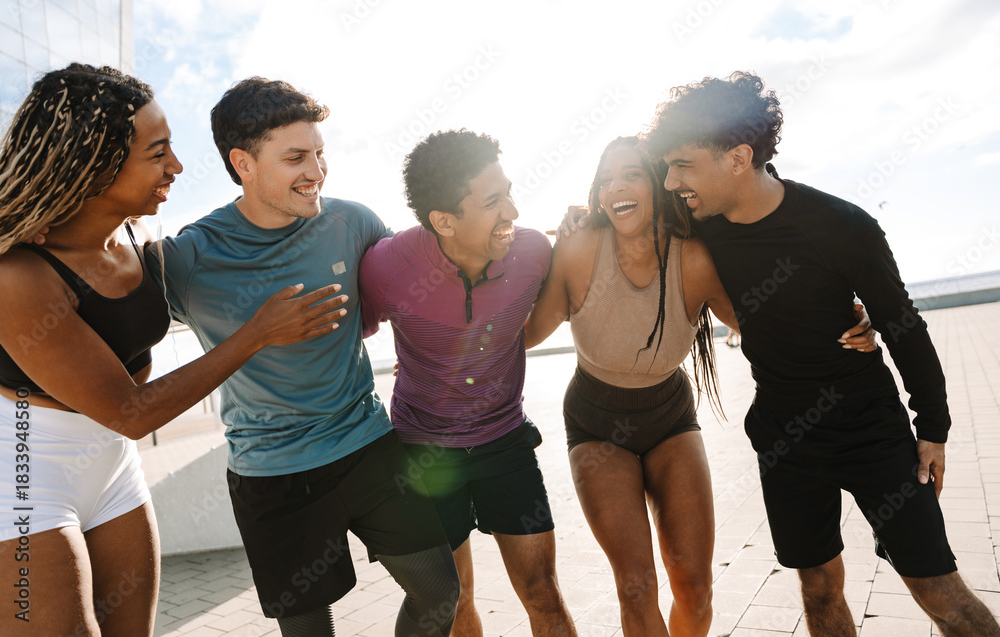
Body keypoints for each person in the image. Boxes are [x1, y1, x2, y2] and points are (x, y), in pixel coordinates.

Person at [642, 71, 1000, 636]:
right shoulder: (697, 224)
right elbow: (619, 212)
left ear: (737, 158)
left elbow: (902, 326)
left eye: (682, 165)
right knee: (817, 588)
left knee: (938, 589)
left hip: (872, 429)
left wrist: (933, 427)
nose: (669, 182)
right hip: (785, 436)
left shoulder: (842, 225)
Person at [0, 64, 347, 637]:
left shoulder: (135, 236)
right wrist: (257, 333)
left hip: (111, 468)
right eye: (157, 153)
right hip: (25, 473)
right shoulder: (19, 275)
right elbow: (132, 412)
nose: (178, 167)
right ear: (96, 164)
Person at [147, 77, 460, 637]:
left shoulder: (351, 222)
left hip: (366, 443)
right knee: (310, 630)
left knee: (439, 592)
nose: (315, 170)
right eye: (295, 157)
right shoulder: (189, 258)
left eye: (319, 153)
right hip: (273, 474)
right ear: (243, 163)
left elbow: (411, 283)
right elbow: (118, 323)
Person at [527, 136, 875, 636]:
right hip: (596, 424)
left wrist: (851, 324)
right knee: (636, 585)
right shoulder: (580, 250)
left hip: (669, 417)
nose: (616, 188)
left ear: (659, 183)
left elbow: (767, 326)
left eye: (631, 175)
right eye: (606, 180)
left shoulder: (695, 258)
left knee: (695, 587)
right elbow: (527, 334)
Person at [359, 129, 578, 637]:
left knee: (542, 591)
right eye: (493, 202)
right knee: (453, 600)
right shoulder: (387, 267)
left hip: (505, 441)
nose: (514, 212)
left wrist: (578, 231)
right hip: (424, 452)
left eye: (509, 193)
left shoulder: (532, 253)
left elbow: (537, 321)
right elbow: (350, 335)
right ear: (443, 221)